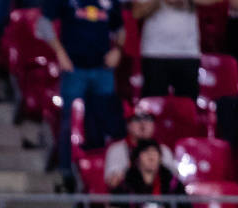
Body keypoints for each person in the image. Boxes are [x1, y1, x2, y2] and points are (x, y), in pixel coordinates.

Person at [38, 0, 126, 191]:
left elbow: (120, 28)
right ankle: (67, 173)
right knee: (70, 124)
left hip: (103, 70)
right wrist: (60, 52)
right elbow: (43, 23)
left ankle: (102, 176)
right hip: (74, 69)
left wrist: (117, 50)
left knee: (106, 124)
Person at [110, 139, 194, 208]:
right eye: (146, 152)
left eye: (155, 152)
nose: (151, 156)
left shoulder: (173, 184)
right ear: (137, 158)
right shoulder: (125, 186)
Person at [133, 0, 212, 100]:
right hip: (154, 53)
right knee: (153, 105)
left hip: (187, 53)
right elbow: (136, 13)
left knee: (188, 107)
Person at [104, 111, 176, 188]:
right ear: (128, 124)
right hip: (130, 196)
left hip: (159, 197)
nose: (143, 124)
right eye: (136, 119)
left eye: (148, 119)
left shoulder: (164, 150)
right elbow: (112, 183)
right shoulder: (116, 149)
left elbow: (173, 183)